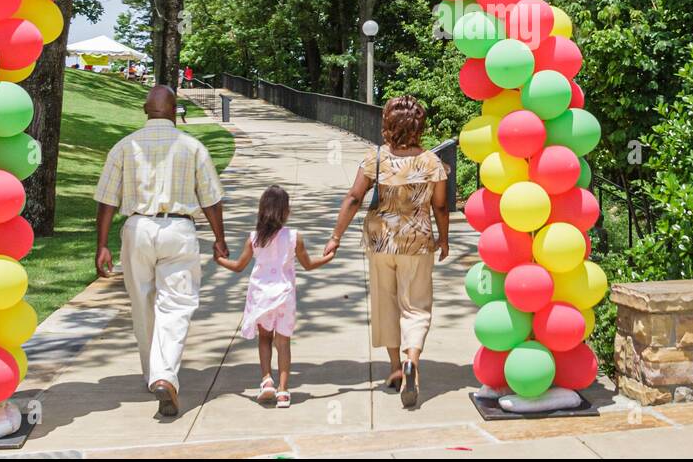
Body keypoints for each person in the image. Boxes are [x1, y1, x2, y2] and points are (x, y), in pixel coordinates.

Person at [93, 85, 227, 417]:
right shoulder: (191, 147)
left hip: (137, 228)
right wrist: (220, 238)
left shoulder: (124, 147)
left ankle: (152, 373)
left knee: (142, 304)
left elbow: (107, 199)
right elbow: (211, 198)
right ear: (174, 110)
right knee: (177, 304)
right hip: (178, 229)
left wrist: (102, 245)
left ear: (144, 109)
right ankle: (164, 374)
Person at [324, 95, 450, 408]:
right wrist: (444, 239)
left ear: (388, 125)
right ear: (420, 127)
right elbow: (441, 207)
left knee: (386, 305)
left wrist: (335, 236)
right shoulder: (433, 164)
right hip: (418, 244)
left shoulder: (375, 158)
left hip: (380, 243)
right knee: (416, 306)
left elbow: (354, 198)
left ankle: (395, 368)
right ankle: (412, 361)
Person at [216, 185, 334, 407]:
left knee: (265, 338)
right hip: (284, 295)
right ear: (286, 212)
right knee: (283, 341)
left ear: (261, 210)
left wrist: (218, 259)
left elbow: (239, 266)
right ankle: (283, 391)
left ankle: (266, 379)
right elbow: (308, 264)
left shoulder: (254, 238)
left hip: (261, 296)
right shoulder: (294, 237)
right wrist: (327, 257)